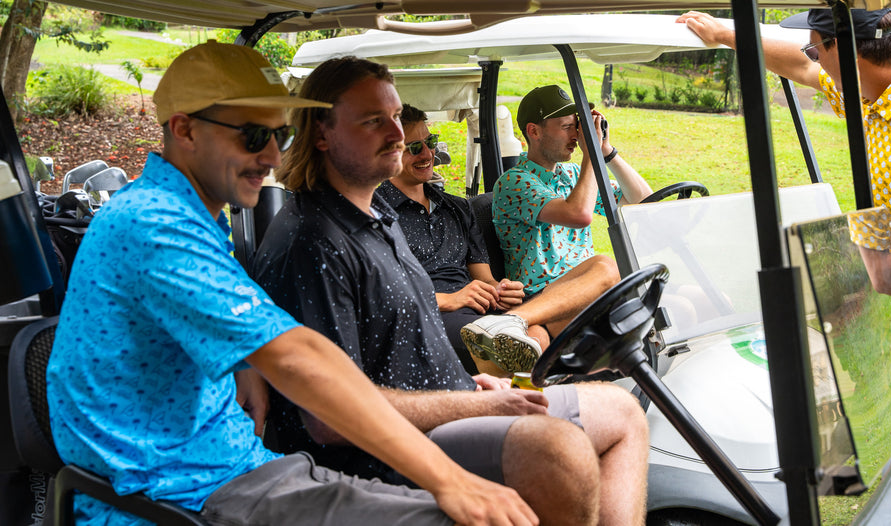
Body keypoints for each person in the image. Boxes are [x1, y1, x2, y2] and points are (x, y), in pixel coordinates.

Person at [46, 41, 537, 526]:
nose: (272, 158)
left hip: (230, 467)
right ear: (183, 129)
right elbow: (300, 357)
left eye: (278, 137)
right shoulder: (155, 225)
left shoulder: (193, 215)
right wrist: (448, 480)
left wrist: (246, 365)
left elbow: (221, 323)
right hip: (171, 495)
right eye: (253, 136)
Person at [252, 57, 650, 526]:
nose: (398, 136)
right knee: (558, 448)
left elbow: (411, 335)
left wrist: (478, 385)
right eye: (373, 121)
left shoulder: (374, 219)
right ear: (321, 134)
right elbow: (330, 416)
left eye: (397, 117)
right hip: (389, 448)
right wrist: (476, 402)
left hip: (455, 399)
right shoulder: (315, 241)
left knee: (624, 415)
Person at [678, 7, 891, 492]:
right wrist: (727, 33)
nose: (813, 58)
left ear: (845, 51)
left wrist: (877, 302)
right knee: (872, 492)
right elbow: (802, 67)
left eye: (817, 45)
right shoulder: (871, 94)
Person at [375, 104, 539, 374]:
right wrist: (449, 299)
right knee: (511, 343)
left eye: (430, 142)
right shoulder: (376, 213)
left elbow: (483, 277)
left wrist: (499, 290)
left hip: (480, 312)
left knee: (596, 273)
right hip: (431, 317)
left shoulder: (458, 207)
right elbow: (384, 296)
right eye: (415, 148)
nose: (429, 154)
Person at [487, 87, 652, 344]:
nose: (576, 135)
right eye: (566, 127)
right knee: (605, 266)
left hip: (589, 291)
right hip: (543, 299)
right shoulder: (514, 183)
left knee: (685, 303)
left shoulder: (572, 174)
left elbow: (642, 201)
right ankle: (512, 322)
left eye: (578, 126)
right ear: (534, 131)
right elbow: (579, 214)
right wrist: (591, 155)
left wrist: (606, 153)